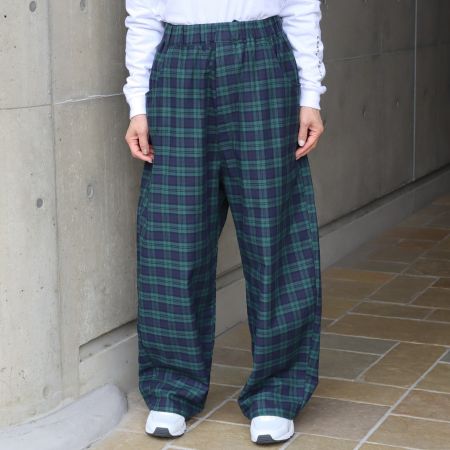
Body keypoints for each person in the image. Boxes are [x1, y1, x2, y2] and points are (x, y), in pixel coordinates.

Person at [123, 0, 326, 445]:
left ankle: (277, 392)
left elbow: (301, 6)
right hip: (178, 66)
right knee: (173, 236)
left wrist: (310, 94)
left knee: (275, 232)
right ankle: (172, 386)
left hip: (263, 60)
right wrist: (138, 104)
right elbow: (143, 15)